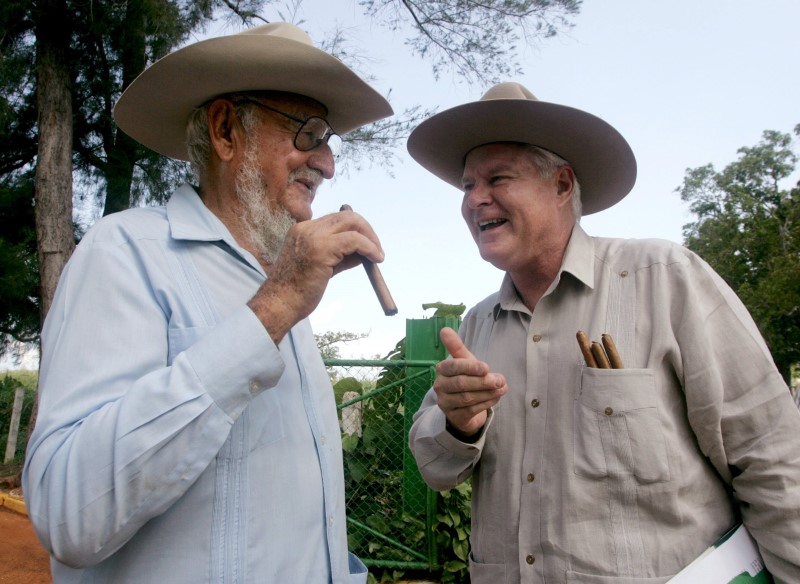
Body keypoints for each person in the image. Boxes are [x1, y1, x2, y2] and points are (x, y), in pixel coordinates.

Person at [23, 23, 393, 583]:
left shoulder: (284, 291)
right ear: (225, 131)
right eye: (310, 133)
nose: (328, 163)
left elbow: (282, 523)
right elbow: (68, 514)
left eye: (329, 140)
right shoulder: (125, 252)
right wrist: (271, 310)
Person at [407, 82, 800, 583]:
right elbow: (435, 469)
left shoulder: (662, 277)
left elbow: (771, 457)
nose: (475, 200)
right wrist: (460, 425)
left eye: (497, 178)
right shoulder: (477, 326)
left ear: (563, 185)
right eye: (467, 186)